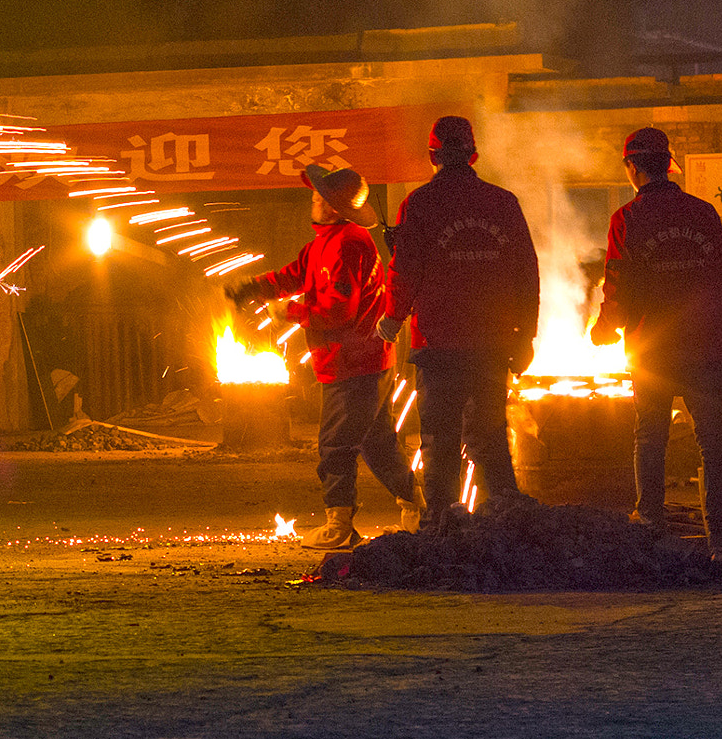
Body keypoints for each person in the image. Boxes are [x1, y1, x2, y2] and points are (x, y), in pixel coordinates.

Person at [224, 163, 406, 550]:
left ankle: (339, 524)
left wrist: (288, 313)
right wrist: (255, 288)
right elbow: (294, 275)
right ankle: (418, 509)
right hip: (358, 361)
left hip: (353, 363)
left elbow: (339, 310)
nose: (314, 200)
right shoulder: (325, 242)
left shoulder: (348, 244)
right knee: (377, 444)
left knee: (335, 444)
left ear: (336, 208)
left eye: (320, 197)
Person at [375, 114, 540, 530]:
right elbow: (526, 271)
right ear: (473, 155)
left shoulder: (420, 203)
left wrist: (392, 317)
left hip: (439, 343)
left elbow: (404, 269)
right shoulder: (503, 203)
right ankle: (507, 522)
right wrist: (526, 335)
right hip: (492, 342)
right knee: (490, 435)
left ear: (433, 156)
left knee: (439, 440)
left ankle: (441, 525)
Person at [590, 128, 722, 546]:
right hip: (707, 348)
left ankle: (651, 528)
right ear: (668, 164)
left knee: (651, 438)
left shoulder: (627, 219)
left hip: (653, 352)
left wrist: (604, 330)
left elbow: (618, 283)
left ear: (633, 167)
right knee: (714, 441)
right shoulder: (703, 213)